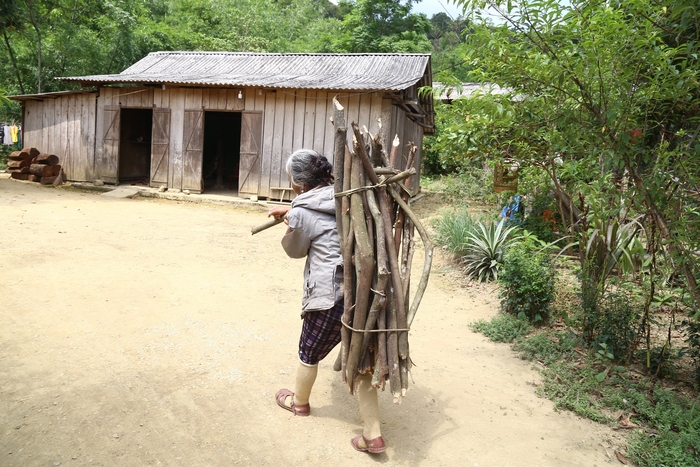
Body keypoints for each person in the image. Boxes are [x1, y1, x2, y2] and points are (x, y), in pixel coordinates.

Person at [268, 149, 386, 454]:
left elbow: (296, 250)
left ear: (297, 183)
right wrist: (291, 215)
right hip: (364, 295)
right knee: (360, 363)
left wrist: (292, 221)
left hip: (329, 298)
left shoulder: (303, 210)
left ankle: (300, 403)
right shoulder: (352, 196)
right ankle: (373, 435)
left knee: (308, 352)